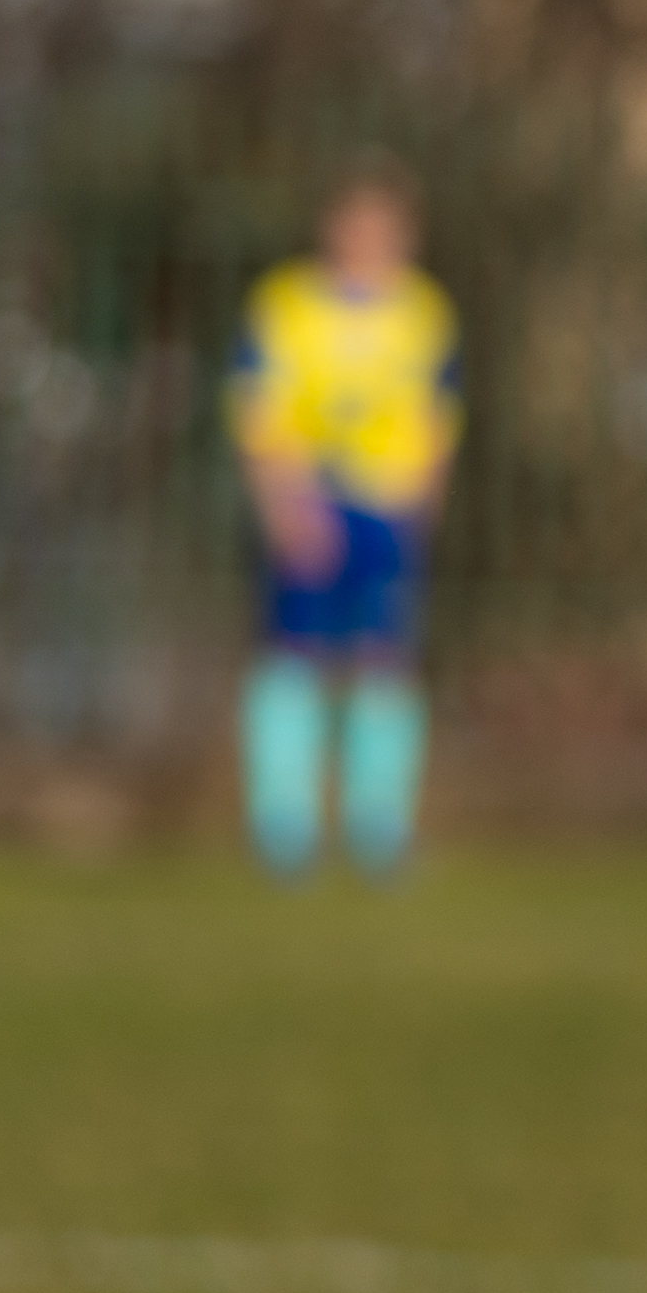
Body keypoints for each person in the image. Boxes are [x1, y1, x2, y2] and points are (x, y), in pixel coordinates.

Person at [227, 161, 455, 882]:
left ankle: (379, 826)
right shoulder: (286, 306)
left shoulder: (424, 313)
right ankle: (284, 826)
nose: (369, 238)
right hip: (309, 501)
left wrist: (423, 508)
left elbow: (437, 419)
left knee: (385, 666)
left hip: (386, 508)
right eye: (356, 223)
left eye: (383, 225)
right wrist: (281, 504)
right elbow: (257, 409)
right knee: (295, 662)